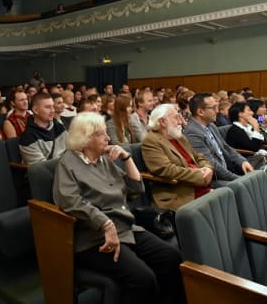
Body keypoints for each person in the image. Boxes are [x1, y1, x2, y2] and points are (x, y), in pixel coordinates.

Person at [53, 112, 185, 304]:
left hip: (125, 227)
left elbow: (134, 189)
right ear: (85, 138)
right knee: (143, 279)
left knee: (171, 257)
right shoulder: (68, 163)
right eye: (101, 134)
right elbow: (69, 201)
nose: (108, 138)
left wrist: (127, 158)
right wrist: (105, 224)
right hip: (94, 237)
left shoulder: (104, 159)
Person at [142, 104, 213, 211]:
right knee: (224, 198)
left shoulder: (179, 137)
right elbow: (166, 169)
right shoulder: (151, 141)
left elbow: (198, 157)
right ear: (162, 122)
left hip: (200, 185)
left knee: (228, 195)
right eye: (175, 118)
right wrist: (199, 175)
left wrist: (208, 168)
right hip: (179, 193)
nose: (180, 122)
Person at [184, 92, 253, 185]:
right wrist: (237, 178)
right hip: (215, 178)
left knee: (256, 177)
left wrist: (242, 161)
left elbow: (225, 147)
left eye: (217, 106)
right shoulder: (192, 133)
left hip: (228, 169)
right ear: (200, 112)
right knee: (248, 185)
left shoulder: (211, 125)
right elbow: (211, 164)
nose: (217, 111)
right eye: (213, 108)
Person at [19, 93, 67, 165]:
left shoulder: (59, 127)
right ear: (35, 110)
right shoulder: (28, 137)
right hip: (50, 174)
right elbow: (42, 169)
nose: (52, 110)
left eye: (53, 106)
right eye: (48, 107)